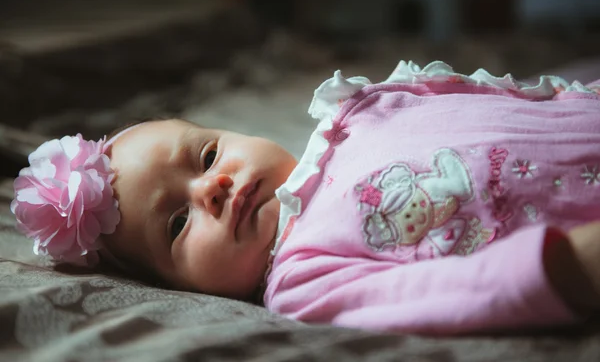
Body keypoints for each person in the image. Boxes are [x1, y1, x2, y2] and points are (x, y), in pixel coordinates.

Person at [11, 60, 600, 334]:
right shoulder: (303, 280)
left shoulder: (352, 120)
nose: (212, 189)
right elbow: (452, 293)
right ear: (179, 288)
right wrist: (569, 267)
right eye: (176, 225)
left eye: (208, 156)